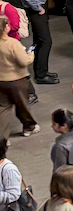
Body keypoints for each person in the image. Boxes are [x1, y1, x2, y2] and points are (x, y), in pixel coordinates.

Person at [13, 0, 56, 84]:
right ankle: (41, 75)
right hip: (36, 11)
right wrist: (38, 7)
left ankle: (41, 70)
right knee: (45, 41)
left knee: (38, 41)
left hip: (39, 8)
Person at [0, 13, 36, 141]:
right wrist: (30, 55)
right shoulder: (12, 43)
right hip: (17, 80)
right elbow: (23, 61)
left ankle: (2, 138)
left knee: (3, 109)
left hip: (1, 81)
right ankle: (29, 127)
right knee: (22, 105)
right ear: (6, 28)